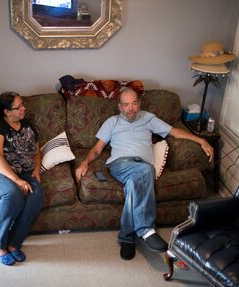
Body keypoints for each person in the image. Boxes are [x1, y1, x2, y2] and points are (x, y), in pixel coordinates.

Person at [75, 88, 213, 260]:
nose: (131, 108)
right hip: (120, 164)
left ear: (139, 104)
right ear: (120, 107)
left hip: (140, 168)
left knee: (134, 183)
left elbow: (174, 131)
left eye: (134, 103)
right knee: (147, 169)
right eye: (126, 105)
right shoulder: (112, 122)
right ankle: (146, 229)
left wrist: (201, 140)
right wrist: (84, 163)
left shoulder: (149, 119)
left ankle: (127, 237)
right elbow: (97, 149)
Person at [0, 91, 45, 266]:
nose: (23, 108)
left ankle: (14, 244)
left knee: (37, 194)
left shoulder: (28, 125)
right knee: (12, 194)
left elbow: (37, 151)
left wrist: (36, 169)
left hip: (24, 172)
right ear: (6, 111)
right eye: (18, 107)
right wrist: (17, 180)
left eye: (23, 105)